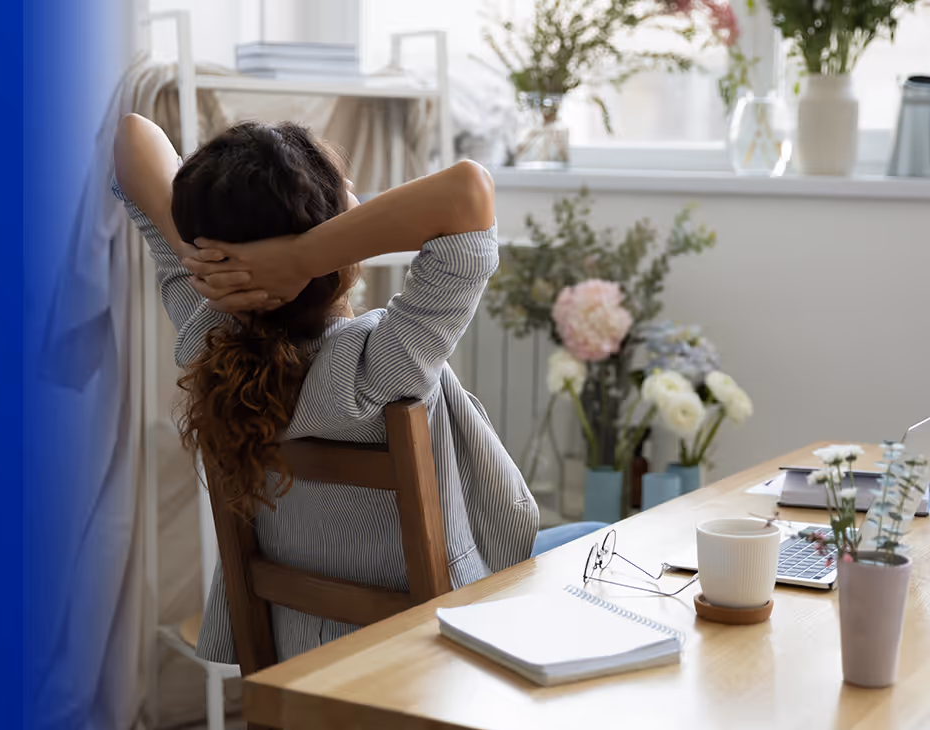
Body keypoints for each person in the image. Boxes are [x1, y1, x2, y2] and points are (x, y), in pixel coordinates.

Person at [112, 115, 601, 663]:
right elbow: (468, 190)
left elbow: (132, 135)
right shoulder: (380, 366)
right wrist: (300, 257)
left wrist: (213, 264)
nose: (357, 202)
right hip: (436, 649)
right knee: (606, 539)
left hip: (301, 658)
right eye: (349, 201)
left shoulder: (207, 339)